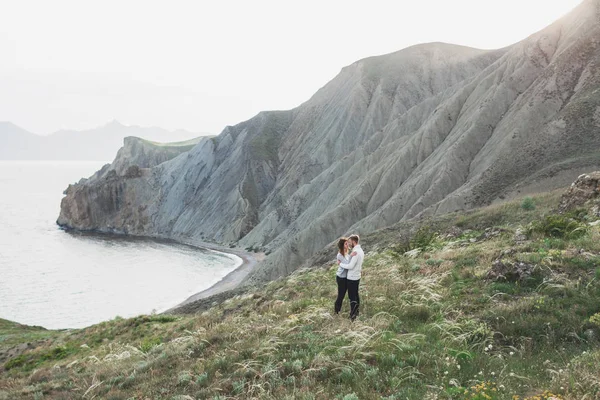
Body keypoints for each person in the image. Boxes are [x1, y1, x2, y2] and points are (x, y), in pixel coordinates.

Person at [337, 234, 364, 321]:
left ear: (353, 241)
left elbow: (350, 266)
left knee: (352, 296)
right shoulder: (360, 251)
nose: (349, 244)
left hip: (352, 277)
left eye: (349, 242)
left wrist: (340, 264)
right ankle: (356, 312)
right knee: (356, 295)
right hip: (356, 276)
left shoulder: (355, 252)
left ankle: (353, 316)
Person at [334, 237, 350, 315]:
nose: (348, 245)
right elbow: (347, 264)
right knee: (341, 294)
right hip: (341, 277)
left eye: (347, 243)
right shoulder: (339, 255)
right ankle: (337, 311)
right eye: (346, 243)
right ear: (342, 245)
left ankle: (338, 309)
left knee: (344, 293)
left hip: (345, 277)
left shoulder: (347, 253)